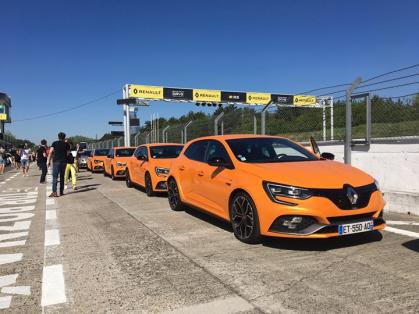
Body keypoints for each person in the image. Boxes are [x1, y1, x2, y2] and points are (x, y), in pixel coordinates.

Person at [47, 132, 70, 197]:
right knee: (62, 176)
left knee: (55, 177)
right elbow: (68, 153)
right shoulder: (67, 144)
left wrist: (48, 161)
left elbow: (50, 152)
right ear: (64, 137)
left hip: (56, 161)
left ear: (58, 137)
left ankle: (54, 192)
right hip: (64, 162)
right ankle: (61, 192)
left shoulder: (54, 143)